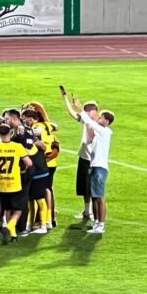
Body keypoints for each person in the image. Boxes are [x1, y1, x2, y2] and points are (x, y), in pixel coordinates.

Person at [61, 87, 113, 236]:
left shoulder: (103, 130)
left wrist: (79, 107)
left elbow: (88, 121)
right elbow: (87, 131)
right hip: (93, 164)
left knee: (99, 197)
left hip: (99, 166)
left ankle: (100, 224)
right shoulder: (96, 128)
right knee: (95, 195)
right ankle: (96, 222)